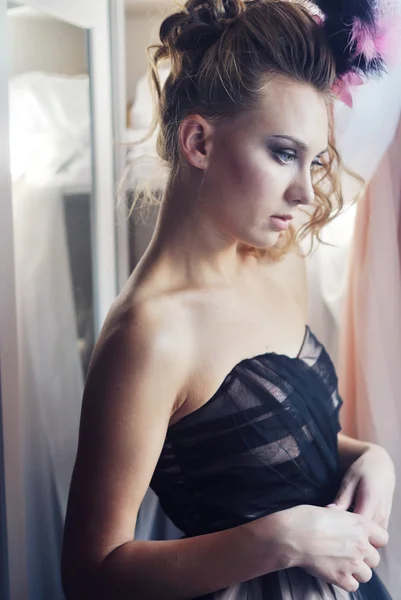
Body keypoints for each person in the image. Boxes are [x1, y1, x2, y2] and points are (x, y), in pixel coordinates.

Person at [61, 1, 396, 598]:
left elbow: (284, 442)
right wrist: (280, 540)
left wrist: (369, 458)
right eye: (283, 152)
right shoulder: (150, 334)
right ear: (198, 141)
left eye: (314, 160)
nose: (304, 191)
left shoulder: (275, 259)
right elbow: (91, 574)